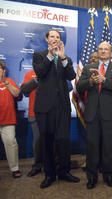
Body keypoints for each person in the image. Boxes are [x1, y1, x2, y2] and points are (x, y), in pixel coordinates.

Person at [32, 29, 79, 189]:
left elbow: (71, 76)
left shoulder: (66, 58)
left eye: (57, 37)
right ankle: (49, 174)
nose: (55, 39)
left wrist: (63, 58)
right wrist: (50, 55)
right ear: (46, 39)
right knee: (46, 141)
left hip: (62, 106)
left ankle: (64, 172)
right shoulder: (39, 55)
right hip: (45, 106)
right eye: (52, 36)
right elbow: (40, 72)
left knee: (63, 141)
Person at [76, 41, 112, 190]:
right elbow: (79, 86)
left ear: (111, 52)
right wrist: (90, 81)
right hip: (91, 113)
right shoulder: (89, 68)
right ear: (98, 51)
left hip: (109, 114)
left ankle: (108, 176)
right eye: (100, 49)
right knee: (92, 148)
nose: (103, 51)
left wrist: (104, 80)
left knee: (108, 147)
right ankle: (91, 177)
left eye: (106, 49)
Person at [0, 60, 21, 178]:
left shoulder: (10, 81)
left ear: (3, 71)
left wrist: (5, 82)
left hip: (8, 119)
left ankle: (14, 168)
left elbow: (17, 93)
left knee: (11, 143)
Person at [20, 70, 43, 177]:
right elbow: (24, 89)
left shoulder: (52, 71)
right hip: (34, 112)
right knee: (37, 141)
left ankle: (53, 164)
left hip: (51, 111)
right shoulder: (30, 73)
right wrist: (36, 79)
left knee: (54, 140)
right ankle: (37, 166)